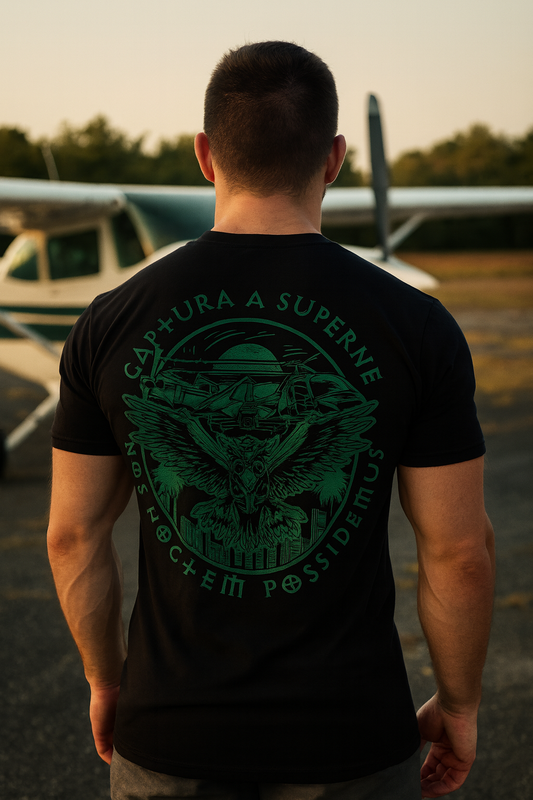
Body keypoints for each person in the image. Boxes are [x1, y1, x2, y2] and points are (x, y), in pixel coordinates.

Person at [47, 41, 495, 800]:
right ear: (333, 158)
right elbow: (457, 551)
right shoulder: (417, 326)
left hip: (169, 740)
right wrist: (458, 702)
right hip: (353, 738)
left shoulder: (108, 324)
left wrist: (105, 680)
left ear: (203, 155)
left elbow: (71, 535)